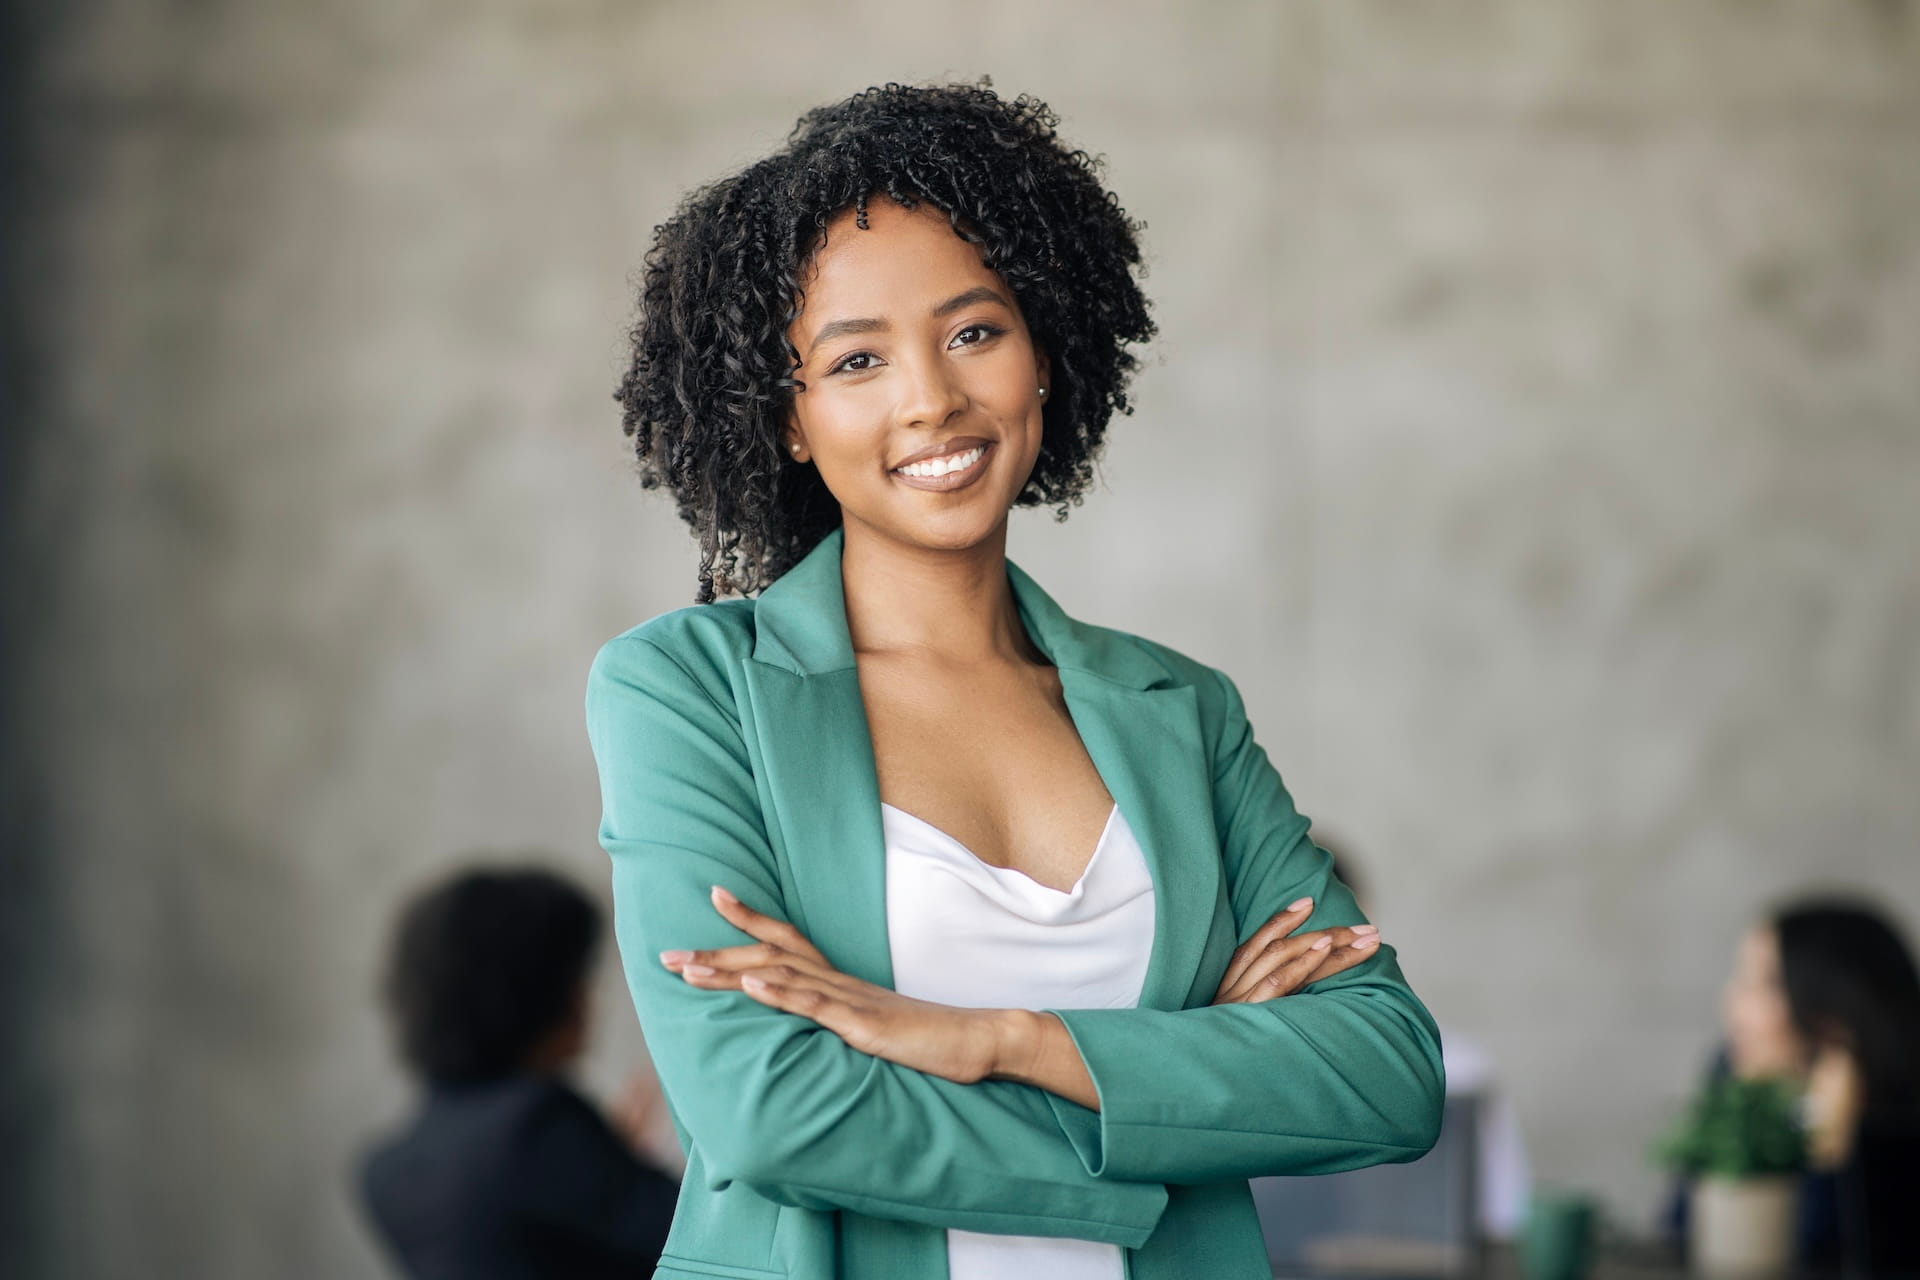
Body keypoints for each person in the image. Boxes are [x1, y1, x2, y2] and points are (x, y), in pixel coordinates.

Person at [585, 82, 1445, 1280]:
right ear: (788, 420)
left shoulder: (1178, 708)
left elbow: (1387, 1071)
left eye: (974, 331)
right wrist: (1184, 1093)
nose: (932, 397)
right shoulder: (689, 691)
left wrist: (995, 1037)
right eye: (857, 359)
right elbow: (768, 1110)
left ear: (1044, 351)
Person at [358, 866, 680, 1280]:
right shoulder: (536, 1124)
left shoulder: (389, 1169)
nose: (589, 998)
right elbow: (700, 1240)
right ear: (532, 989)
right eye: (575, 974)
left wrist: (608, 1160)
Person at [1667, 894, 1920, 1268]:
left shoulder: (1897, 1121)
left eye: (1761, 986)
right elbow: (1681, 1230)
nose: (1731, 1002)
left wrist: (1831, 1133)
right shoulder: (1730, 1081)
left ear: (1831, 1009)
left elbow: (1830, 1252)